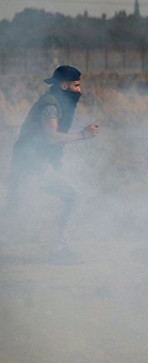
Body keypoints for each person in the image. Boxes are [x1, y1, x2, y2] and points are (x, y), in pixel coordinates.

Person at [2, 65, 99, 257]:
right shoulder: (50, 105)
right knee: (72, 197)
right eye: (76, 85)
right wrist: (83, 134)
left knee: (14, 209)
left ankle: (57, 245)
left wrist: (54, 162)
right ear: (64, 86)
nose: (79, 89)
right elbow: (51, 137)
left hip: (35, 165)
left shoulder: (59, 103)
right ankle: (58, 248)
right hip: (30, 166)